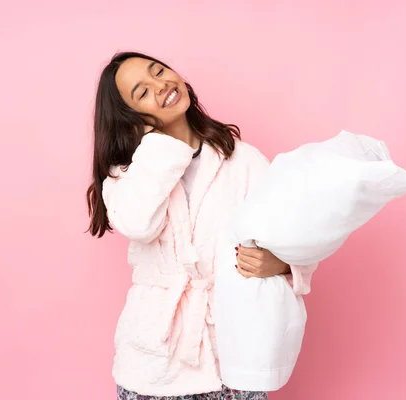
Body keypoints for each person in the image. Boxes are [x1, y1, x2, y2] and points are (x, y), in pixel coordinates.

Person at [87, 52, 316, 399]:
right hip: (154, 363)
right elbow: (139, 224)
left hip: (233, 351)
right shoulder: (128, 174)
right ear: (130, 117)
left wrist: (283, 265)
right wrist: (158, 149)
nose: (161, 84)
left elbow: (295, 233)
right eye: (142, 92)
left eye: (159, 71)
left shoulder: (244, 160)